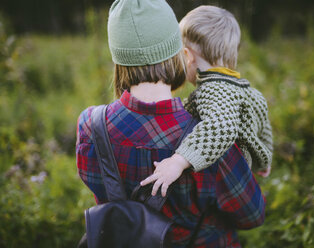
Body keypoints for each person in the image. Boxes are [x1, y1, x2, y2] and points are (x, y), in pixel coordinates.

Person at [76, 0, 265, 247]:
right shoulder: (209, 138)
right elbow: (252, 215)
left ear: (119, 59)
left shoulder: (91, 126)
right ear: (180, 54)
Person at [141, 5, 273, 197]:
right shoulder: (251, 93)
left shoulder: (213, 90)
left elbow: (222, 125)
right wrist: (264, 160)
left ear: (187, 56)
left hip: (221, 186)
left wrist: (178, 161)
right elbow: (265, 130)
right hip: (241, 181)